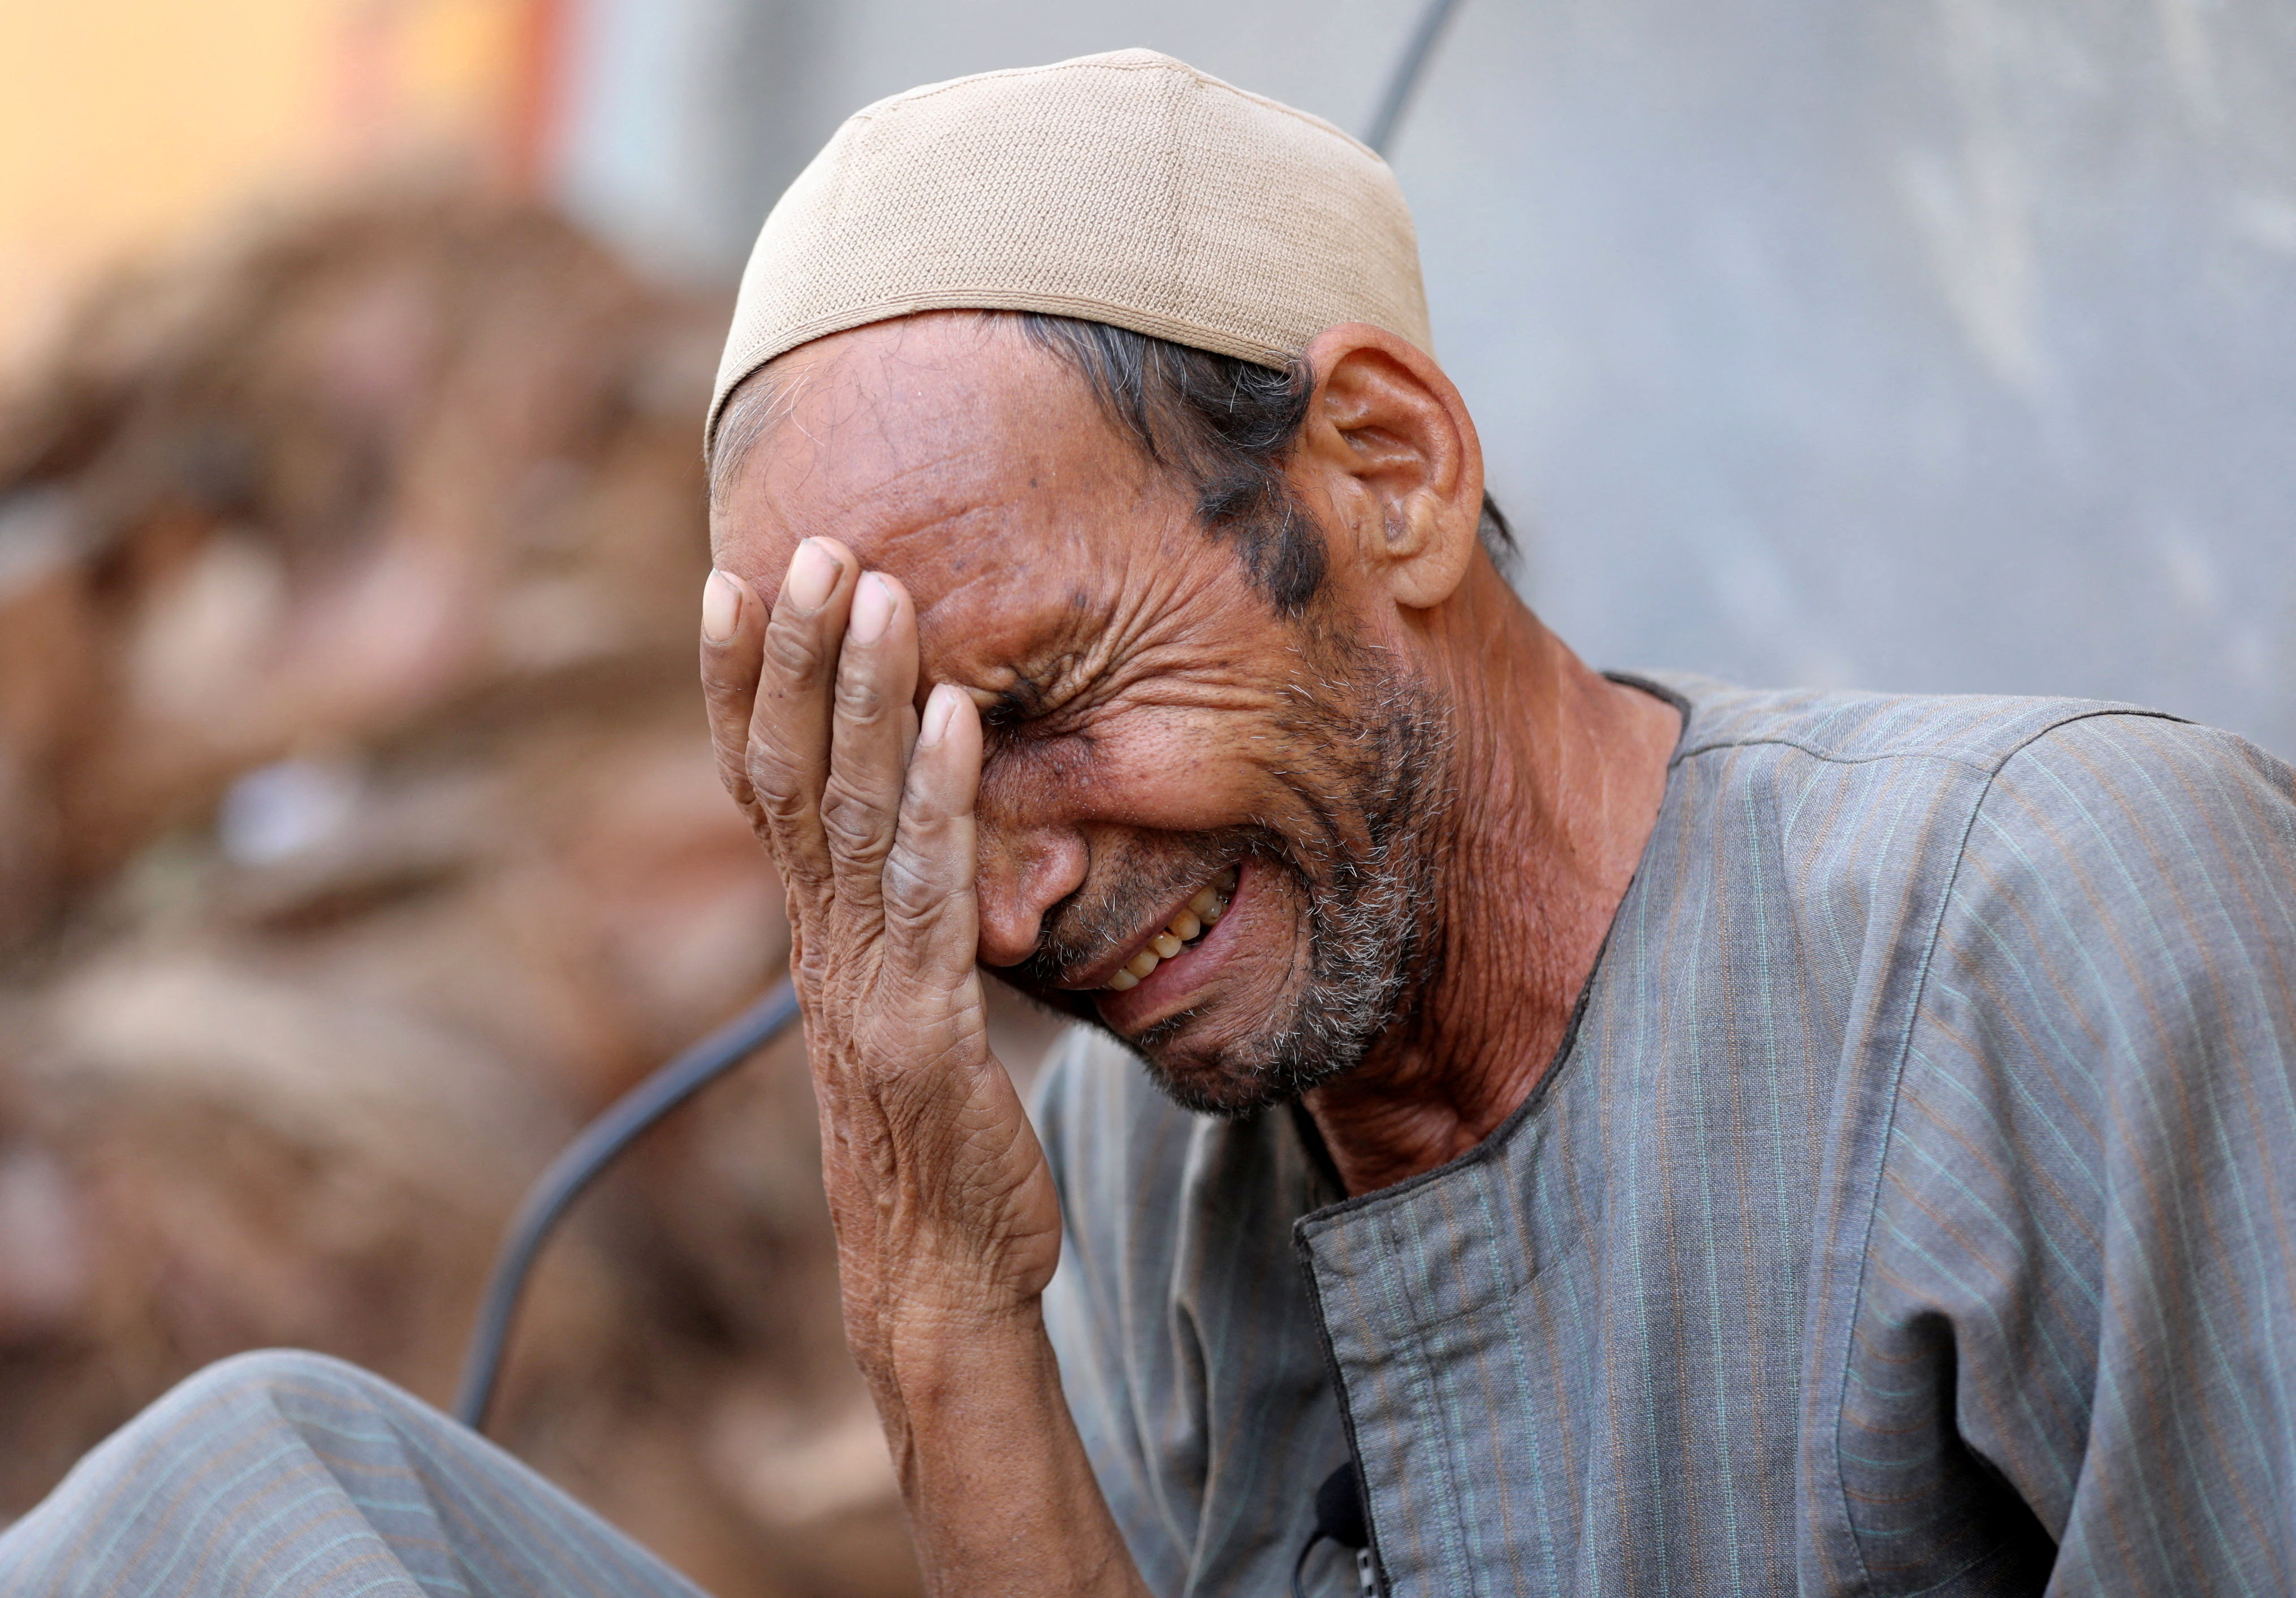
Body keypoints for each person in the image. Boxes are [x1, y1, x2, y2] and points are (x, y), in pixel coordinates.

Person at [5, 47, 2293, 1598]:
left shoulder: (2055, 922)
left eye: (1046, 701)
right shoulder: (1147, 1141)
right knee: (250, 1500)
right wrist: (931, 1285)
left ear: (1386, 471)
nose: (1008, 898)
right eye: (902, 784)